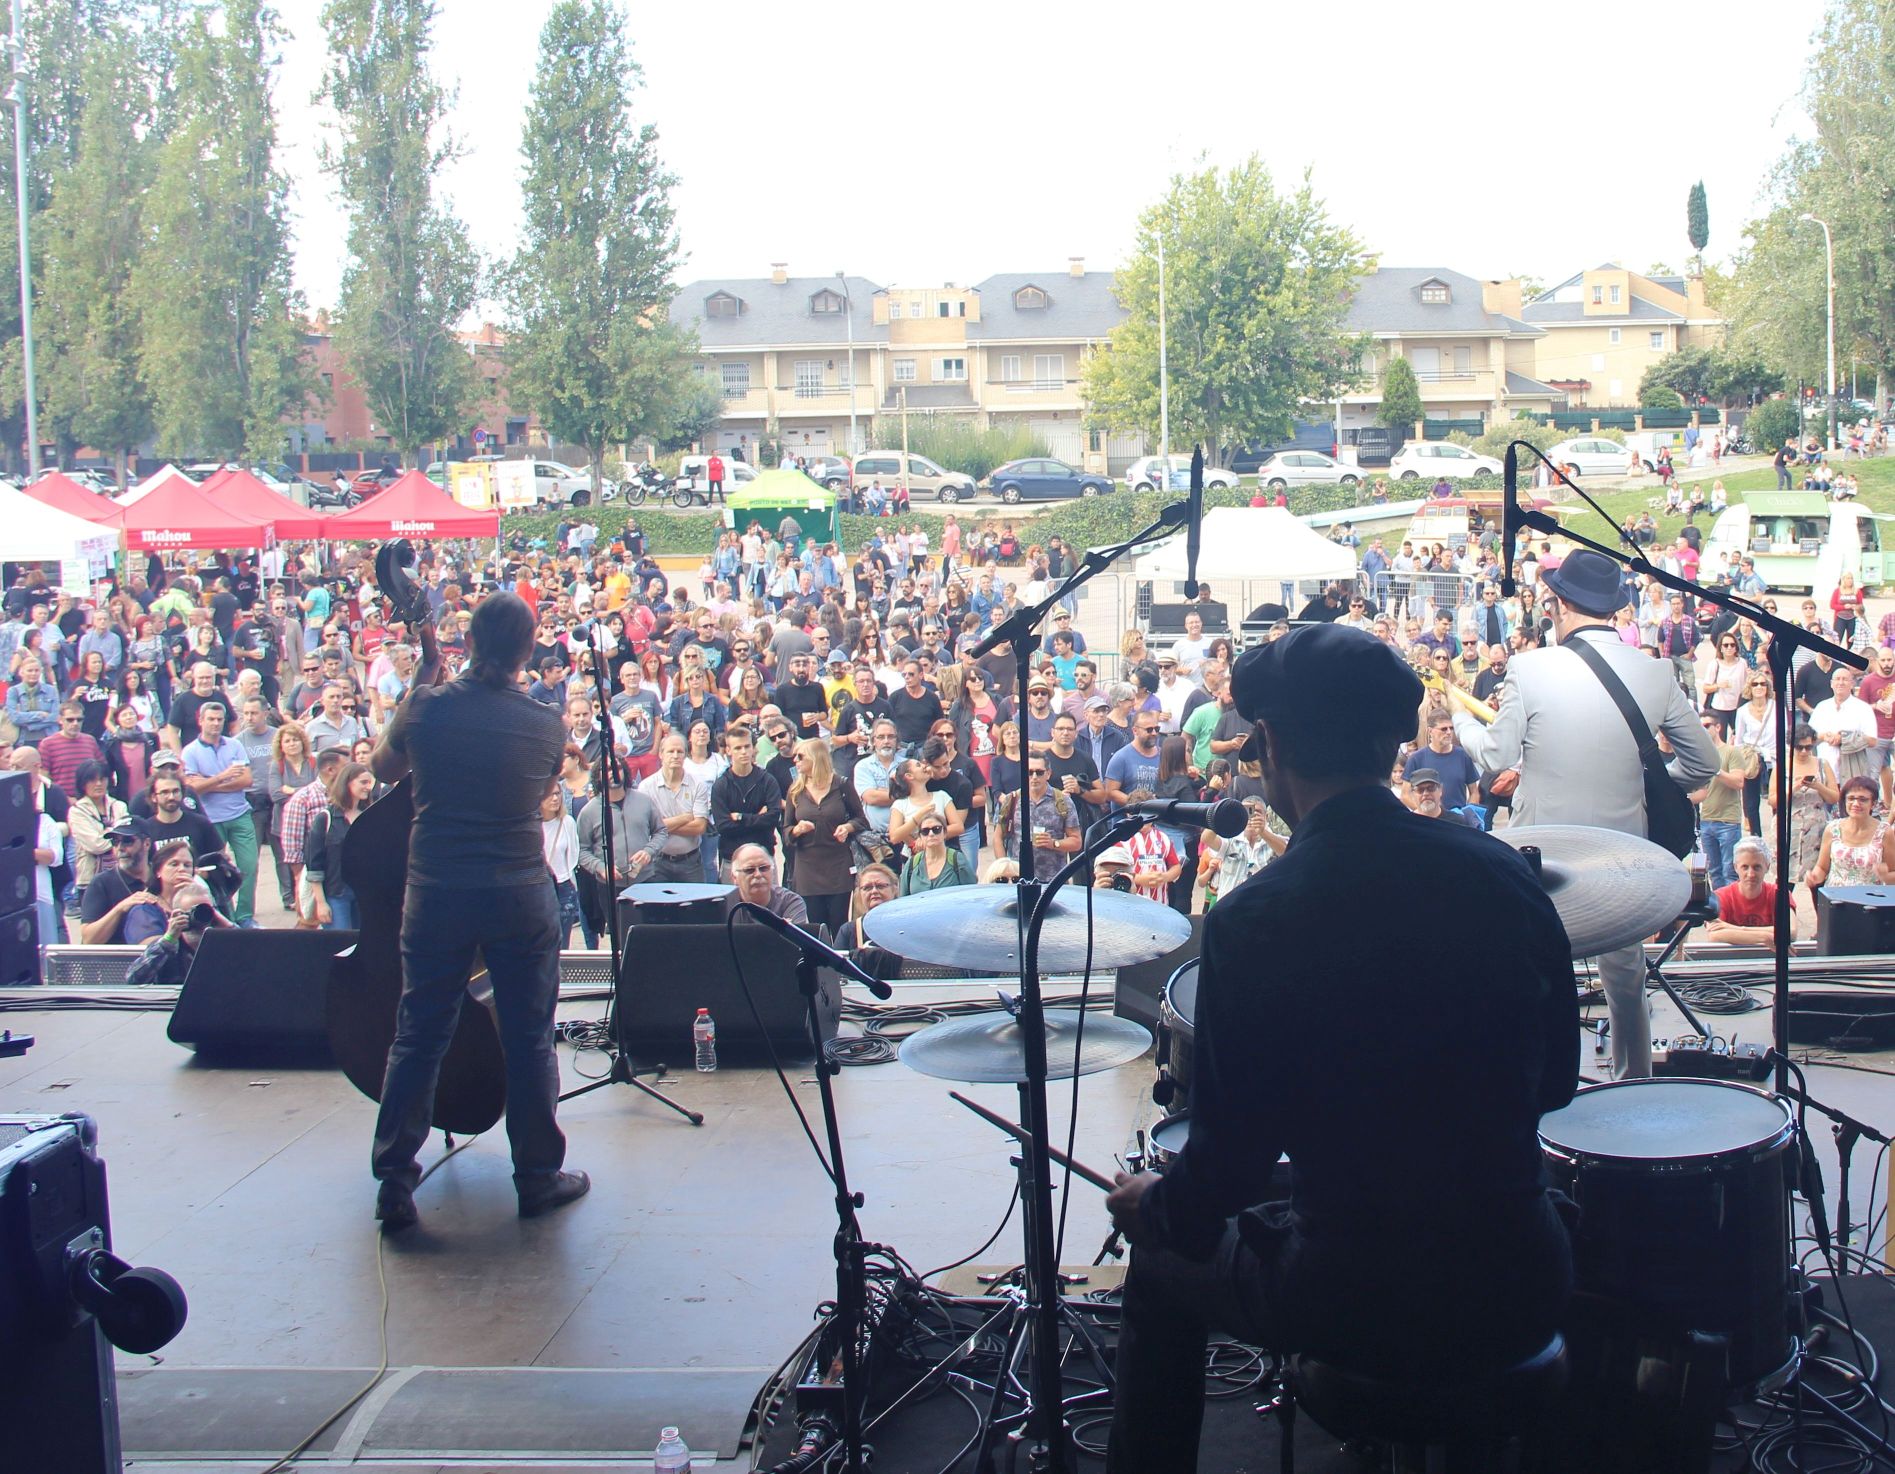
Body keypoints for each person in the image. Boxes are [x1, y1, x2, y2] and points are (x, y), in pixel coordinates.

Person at [1103, 624, 1577, 1474]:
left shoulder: (1257, 918)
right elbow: (1555, 1086)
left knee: (1163, 1266)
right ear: (1391, 739)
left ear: (1272, 745)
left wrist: (1156, 1206)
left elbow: (1230, 1172)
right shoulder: (1504, 874)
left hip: (1356, 1294)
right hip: (1518, 1272)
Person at [1452, 548, 1716, 1079]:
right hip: (1624, 848)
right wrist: (1651, 788)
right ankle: (1633, 1085)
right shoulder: (1655, 671)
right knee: (1626, 977)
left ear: (1560, 604)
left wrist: (1462, 721)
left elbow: (1497, 757)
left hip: (1542, 848)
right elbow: (1704, 762)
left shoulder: (1529, 669)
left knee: (1537, 970)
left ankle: (1540, 1087)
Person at [368, 592, 587, 1232]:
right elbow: (534, 789)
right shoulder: (546, 724)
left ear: (466, 641)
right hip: (519, 891)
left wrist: (421, 681)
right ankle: (538, 1176)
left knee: (419, 1034)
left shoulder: (428, 707)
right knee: (528, 1036)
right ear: (527, 650)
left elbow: (384, 768)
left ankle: (394, 1182)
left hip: (436, 890)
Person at [180, 700, 260, 926]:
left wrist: (209, 782)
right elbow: (192, 788)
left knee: (248, 866)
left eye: (219, 720)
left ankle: (245, 916)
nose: (215, 724)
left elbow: (246, 779)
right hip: (210, 819)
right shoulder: (191, 752)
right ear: (200, 721)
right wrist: (225, 776)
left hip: (240, 814)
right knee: (217, 872)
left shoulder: (235, 746)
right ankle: (227, 915)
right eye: (211, 719)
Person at [783, 738, 865, 931]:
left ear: (815, 758)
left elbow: (861, 819)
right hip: (807, 868)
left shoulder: (842, 785)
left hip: (838, 865)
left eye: (801, 756)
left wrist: (848, 827)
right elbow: (786, 832)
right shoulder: (795, 791)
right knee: (813, 925)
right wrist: (797, 830)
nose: (795, 760)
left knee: (838, 923)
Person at [122, 873, 234, 987]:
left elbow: (250, 957)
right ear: (177, 915)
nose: (198, 920)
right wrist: (167, 940)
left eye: (205, 912)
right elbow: (133, 979)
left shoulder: (222, 945)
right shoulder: (167, 948)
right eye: (191, 913)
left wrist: (228, 926)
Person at [303, 761, 375, 930]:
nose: (368, 787)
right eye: (363, 782)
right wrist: (321, 902)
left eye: (369, 783)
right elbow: (314, 864)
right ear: (348, 782)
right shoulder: (325, 818)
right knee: (340, 944)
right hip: (336, 893)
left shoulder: (369, 816)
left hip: (363, 894)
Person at [636, 732, 711, 883]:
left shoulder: (698, 785)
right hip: (658, 862)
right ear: (661, 754)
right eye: (671, 751)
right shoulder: (646, 786)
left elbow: (700, 827)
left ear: (685, 755)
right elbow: (647, 827)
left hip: (691, 862)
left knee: (696, 905)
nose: (675, 755)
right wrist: (685, 818)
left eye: (680, 751)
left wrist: (662, 826)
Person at [1805, 775, 1893, 889]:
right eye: (1851, 798)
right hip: (1836, 899)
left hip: (1870, 901)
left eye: (1863, 799)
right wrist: (1814, 877)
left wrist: (1885, 876)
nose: (1856, 804)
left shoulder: (1884, 832)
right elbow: (1822, 868)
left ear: (1874, 804)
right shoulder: (1832, 829)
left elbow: (1893, 872)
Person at [1704, 837, 1792, 947]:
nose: (1751, 874)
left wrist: (1732, 928)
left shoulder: (1779, 894)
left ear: (1767, 867)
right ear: (1735, 867)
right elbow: (1714, 936)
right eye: (1745, 867)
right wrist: (1764, 937)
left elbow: (1790, 931)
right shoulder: (1720, 897)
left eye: (1757, 867)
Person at [898, 809, 975, 893]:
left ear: (945, 833)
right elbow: (903, 898)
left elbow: (971, 893)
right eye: (925, 831)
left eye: (936, 829)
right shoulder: (912, 864)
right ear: (920, 836)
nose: (931, 834)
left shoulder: (957, 860)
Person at [728, 842, 807, 922]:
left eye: (764, 868)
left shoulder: (790, 902)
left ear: (773, 872)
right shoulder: (724, 905)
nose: (758, 874)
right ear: (734, 877)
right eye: (749, 870)